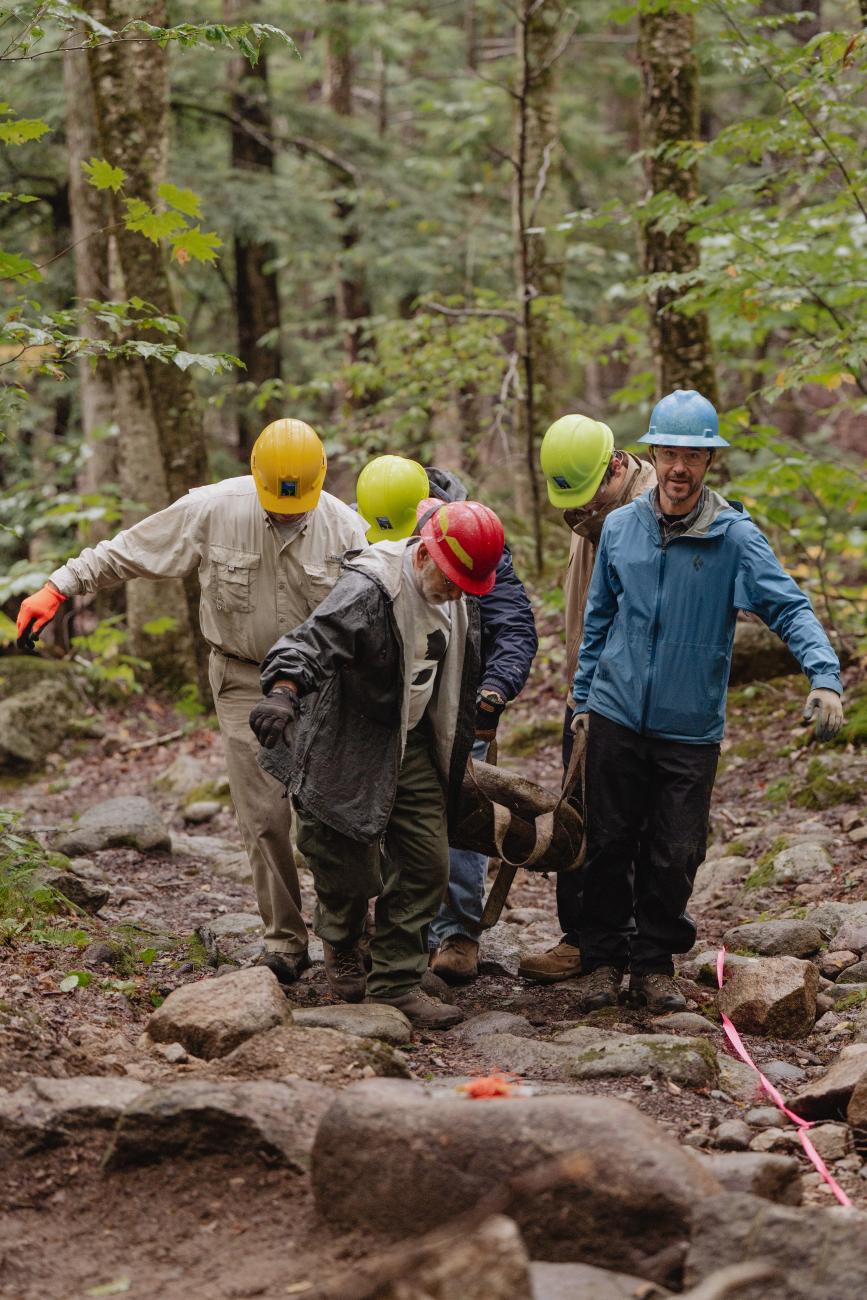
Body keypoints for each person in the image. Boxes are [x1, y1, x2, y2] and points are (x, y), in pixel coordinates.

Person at [15, 419, 367, 986]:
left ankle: (346, 941)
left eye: (296, 505)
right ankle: (285, 941)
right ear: (255, 480)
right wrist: (59, 586)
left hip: (325, 688)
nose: (286, 514)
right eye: (276, 504)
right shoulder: (212, 508)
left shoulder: (347, 529)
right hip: (242, 679)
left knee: (330, 820)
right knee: (265, 819)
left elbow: (370, 621)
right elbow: (129, 551)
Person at [569, 389, 844, 1014]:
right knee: (608, 841)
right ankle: (602, 959)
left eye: (693, 455)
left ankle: (654, 963)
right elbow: (599, 618)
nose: (679, 468)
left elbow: (790, 606)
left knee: (675, 849)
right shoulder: (619, 527)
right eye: (669, 452)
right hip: (615, 712)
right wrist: (583, 698)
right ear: (654, 453)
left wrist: (823, 676)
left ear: (709, 462)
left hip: (689, 726)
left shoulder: (735, 537)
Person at [249, 500, 505, 1029]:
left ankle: (396, 980)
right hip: (348, 737)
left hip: (412, 741)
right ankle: (341, 948)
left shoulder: (460, 594)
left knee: (425, 863)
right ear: (424, 554)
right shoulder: (370, 588)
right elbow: (312, 641)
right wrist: (283, 691)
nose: (456, 592)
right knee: (345, 861)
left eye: (466, 585)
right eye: (451, 580)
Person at [354, 456, 538, 983]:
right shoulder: (369, 532)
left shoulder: (480, 541)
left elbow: (514, 624)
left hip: (461, 707)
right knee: (378, 820)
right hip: (386, 710)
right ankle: (389, 934)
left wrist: (494, 690)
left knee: (460, 821)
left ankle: (457, 932)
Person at [518, 415, 656, 984]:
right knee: (575, 812)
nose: (576, 513)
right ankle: (583, 936)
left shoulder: (650, 514)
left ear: (616, 466)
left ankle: (623, 943)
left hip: (629, 696)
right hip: (587, 686)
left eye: (584, 499)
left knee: (625, 822)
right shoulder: (591, 508)